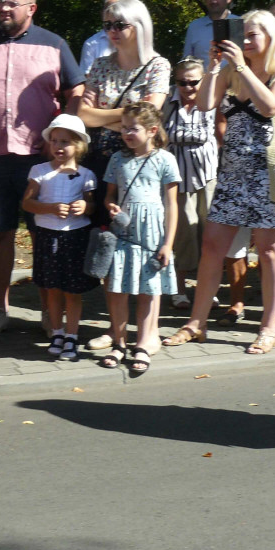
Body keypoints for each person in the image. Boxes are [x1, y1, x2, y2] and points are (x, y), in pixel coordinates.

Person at [164, 10, 275, 355]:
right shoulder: (229, 69)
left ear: (270, 37)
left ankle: (269, 327)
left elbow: (270, 106)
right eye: (244, 35)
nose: (246, 42)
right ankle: (197, 323)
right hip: (233, 173)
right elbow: (206, 104)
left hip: (269, 174)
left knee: (269, 250)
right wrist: (214, 67)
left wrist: (239, 67)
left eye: (253, 36)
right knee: (212, 246)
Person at [0, 0, 85, 339]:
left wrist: (64, 137)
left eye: (11, 4)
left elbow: (76, 90)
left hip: (40, 157)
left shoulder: (54, 44)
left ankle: (49, 313)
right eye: (0, 2)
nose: (3, 9)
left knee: (43, 235)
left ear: (31, 9)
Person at [77, 0, 171, 349]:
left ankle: (148, 332)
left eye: (120, 25)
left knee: (147, 243)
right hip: (104, 164)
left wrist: (109, 116)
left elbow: (150, 116)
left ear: (139, 26)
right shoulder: (100, 64)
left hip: (144, 166)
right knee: (110, 245)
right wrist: (127, 119)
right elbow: (83, 116)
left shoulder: (157, 66)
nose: (112, 32)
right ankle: (116, 330)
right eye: (107, 25)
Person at [97, 103, 179, 375]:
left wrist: (167, 243)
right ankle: (119, 343)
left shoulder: (165, 159)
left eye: (133, 128)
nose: (127, 133)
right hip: (124, 231)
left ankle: (143, 343)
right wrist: (111, 206)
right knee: (118, 289)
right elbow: (109, 194)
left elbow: (171, 204)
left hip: (152, 234)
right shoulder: (117, 159)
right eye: (124, 128)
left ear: (152, 130)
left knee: (148, 289)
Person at [21, 114, 99, 362]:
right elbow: (27, 203)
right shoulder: (39, 171)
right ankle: (57, 332)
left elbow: (92, 206)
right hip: (47, 235)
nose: (58, 147)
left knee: (72, 290)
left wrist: (84, 208)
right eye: (54, 141)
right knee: (52, 288)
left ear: (78, 145)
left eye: (65, 142)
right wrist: (51, 208)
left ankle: (72, 336)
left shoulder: (87, 174)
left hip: (74, 238)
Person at [162, 58, 218, 310]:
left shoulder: (213, 100)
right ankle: (180, 290)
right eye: (182, 82)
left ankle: (208, 289)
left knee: (210, 235)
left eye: (194, 82)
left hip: (208, 176)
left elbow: (218, 133)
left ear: (203, 81)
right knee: (183, 234)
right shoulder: (166, 104)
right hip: (179, 179)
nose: (188, 88)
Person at [182, 0, 243, 67]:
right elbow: (187, 60)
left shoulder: (240, 23)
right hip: (205, 79)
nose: (213, 1)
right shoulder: (195, 26)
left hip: (236, 78)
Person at [78, 0, 119, 76]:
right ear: (102, 14)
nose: (112, 13)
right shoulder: (91, 44)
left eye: (116, 9)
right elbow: (86, 75)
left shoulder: (130, 41)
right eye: (109, 10)